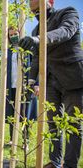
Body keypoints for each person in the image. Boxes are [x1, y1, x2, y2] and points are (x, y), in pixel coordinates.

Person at [19, 0, 83, 167]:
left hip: (73, 77)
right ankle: (55, 163)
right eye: (33, 12)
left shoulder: (68, 13)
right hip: (51, 81)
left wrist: (39, 39)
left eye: (39, 9)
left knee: (72, 125)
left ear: (50, 2)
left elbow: (65, 32)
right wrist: (31, 81)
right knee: (53, 124)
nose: (37, 15)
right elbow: (36, 59)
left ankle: (69, 165)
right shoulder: (35, 30)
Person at [6, 27, 38, 146]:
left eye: (15, 34)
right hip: (11, 86)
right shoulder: (8, 51)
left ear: (20, 34)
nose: (13, 36)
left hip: (26, 86)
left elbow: (35, 66)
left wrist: (36, 84)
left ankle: (26, 139)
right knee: (12, 112)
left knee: (26, 113)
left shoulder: (28, 48)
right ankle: (11, 138)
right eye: (11, 35)